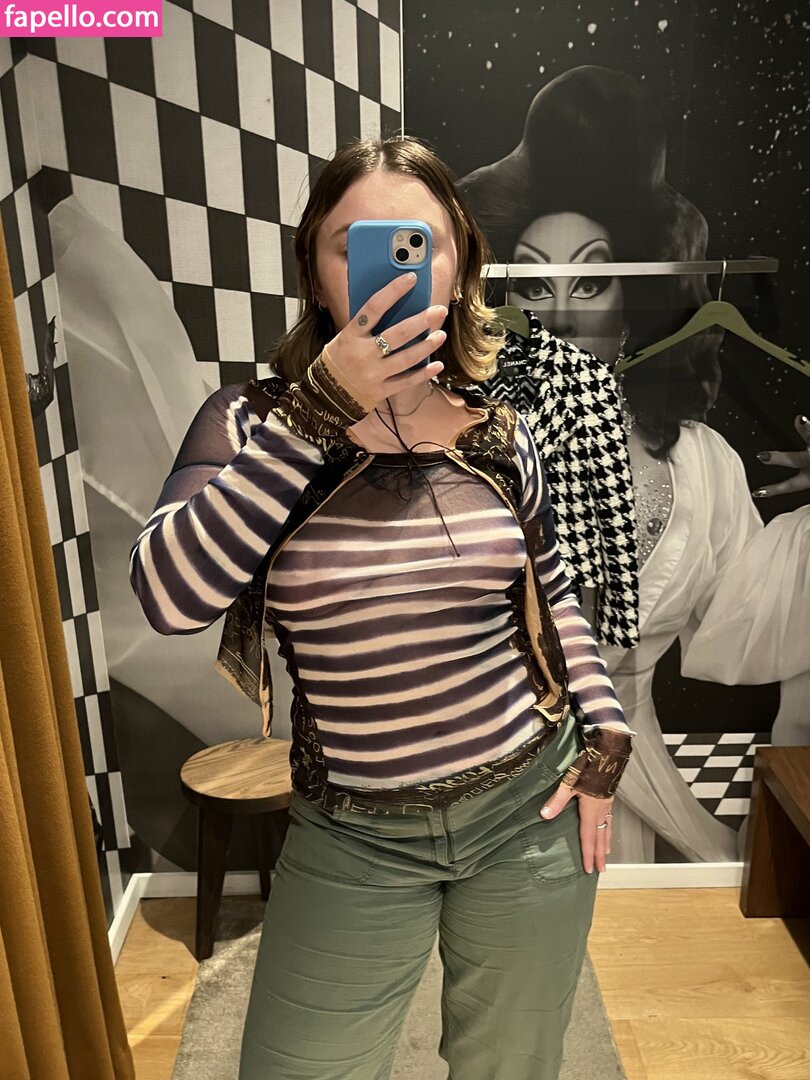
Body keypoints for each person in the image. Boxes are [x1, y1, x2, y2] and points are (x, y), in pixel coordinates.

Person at [129, 136, 636, 1080]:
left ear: (459, 266)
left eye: (421, 243)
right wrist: (319, 410)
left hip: (528, 813)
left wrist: (606, 729)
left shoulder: (499, 430)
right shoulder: (250, 425)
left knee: (511, 1065)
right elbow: (168, 595)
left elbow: (555, 586)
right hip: (352, 834)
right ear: (318, 274)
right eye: (355, 244)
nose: (395, 270)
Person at [459, 67, 810, 863]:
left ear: (633, 302)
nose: (559, 313)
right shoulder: (462, 444)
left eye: (590, 278)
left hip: (629, 792)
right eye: (533, 281)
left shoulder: (702, 464)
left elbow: (751, 617)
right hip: (479, 789)